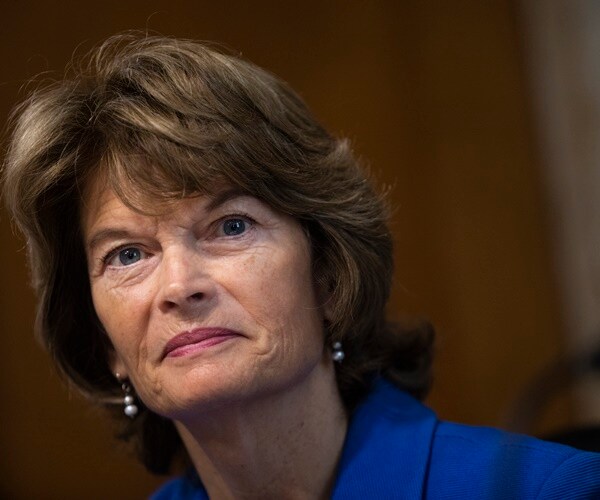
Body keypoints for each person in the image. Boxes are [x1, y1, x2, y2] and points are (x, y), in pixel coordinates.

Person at [2, 33, 599, 499]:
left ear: (329, 276)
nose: (180, 287)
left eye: (230, 226)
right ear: (105, 343)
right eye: (128, 254)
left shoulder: (551, 490)